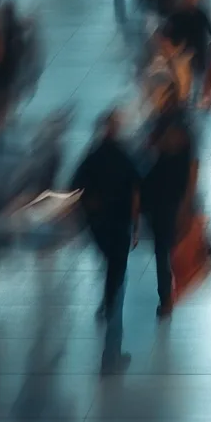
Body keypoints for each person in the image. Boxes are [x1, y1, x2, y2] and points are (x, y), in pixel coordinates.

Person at [71, 110, 140, 374]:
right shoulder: (126, 157)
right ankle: (111, 343)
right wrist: (135, 226)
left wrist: (88, 212)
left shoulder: (92, 156)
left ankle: (107, 303)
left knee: (110, 266)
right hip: (119, 224)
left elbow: (76, 185)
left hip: (99, 225)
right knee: (117, 274)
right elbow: (136, 190)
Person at [142, 83, 198, 319]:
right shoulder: (176, 128)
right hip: (168, 195)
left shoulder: (170, 128)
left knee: (163, 249)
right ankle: (168, 294)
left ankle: (168, 295)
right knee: (165, 247)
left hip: (165, 196)